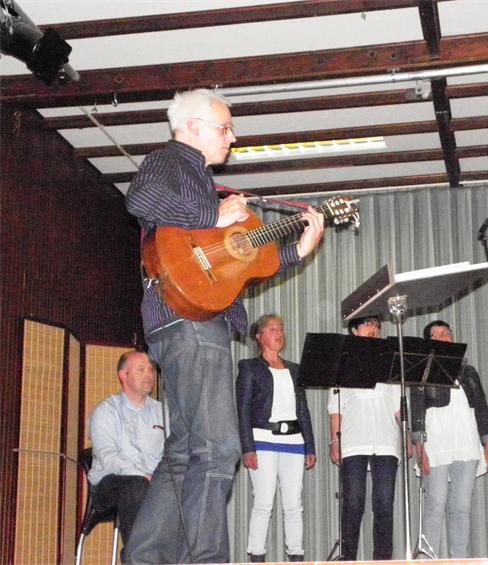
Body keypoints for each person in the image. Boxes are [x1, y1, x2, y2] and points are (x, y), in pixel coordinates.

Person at [124, 88, 324, 564]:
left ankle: (145, 557)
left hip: (186, 322)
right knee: (217, 449)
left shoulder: (205, 184)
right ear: (193, 126)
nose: (232, 137)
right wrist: (211, 215)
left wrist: (299, 250)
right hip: (190, 321)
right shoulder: (170, 162)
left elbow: (245, 263)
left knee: (184, 452)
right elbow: (140, 199)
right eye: (225, 127)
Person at [410, 320, 488, 558]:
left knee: (462, 507)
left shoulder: (469, 371)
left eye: (446, 333)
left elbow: (481, 408)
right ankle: (429, 559)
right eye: (436, 335)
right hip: (436, 442)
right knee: (435, 504)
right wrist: (420, 446)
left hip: (466, 441)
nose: (442, 337)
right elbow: (416, 410)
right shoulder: (422, 371)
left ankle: (459, 559)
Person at [236, 314, 316, 562]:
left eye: (280, 328)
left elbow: (302, 410)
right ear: (259, 337)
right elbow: (243, 409)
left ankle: (296, 554)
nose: (278, 333)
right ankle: (257, 554)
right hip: (263, 440)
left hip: (294, 441)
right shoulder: (249, 367)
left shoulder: (295, 369)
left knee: (294, 504)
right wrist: (248, 448)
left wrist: (310, 446)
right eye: (271, 329)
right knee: (263, 502)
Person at [327, 315, 402, 561]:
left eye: (377, 326)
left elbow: (398, 407)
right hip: (353, 440)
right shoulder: (343, 361)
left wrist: (409, 435)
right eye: (368, 324)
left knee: (384, 503)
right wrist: (335, 441)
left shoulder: (389, 360)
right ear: (354, 330)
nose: (374, 329)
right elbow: (336, 408)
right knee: (353, 501)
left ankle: (383, 559)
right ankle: (348, 558)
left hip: (386, 440)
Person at [88, 351, 165, 560]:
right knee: (137, 486)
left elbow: (172, 453)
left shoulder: (163, 412)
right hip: (111, 483)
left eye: (151, 370)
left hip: (152, 482)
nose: (149, 375)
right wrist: (143, 475)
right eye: (141, 370)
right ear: (123, 375)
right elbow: (108, 457)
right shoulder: (106, 411)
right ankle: (137, 559)